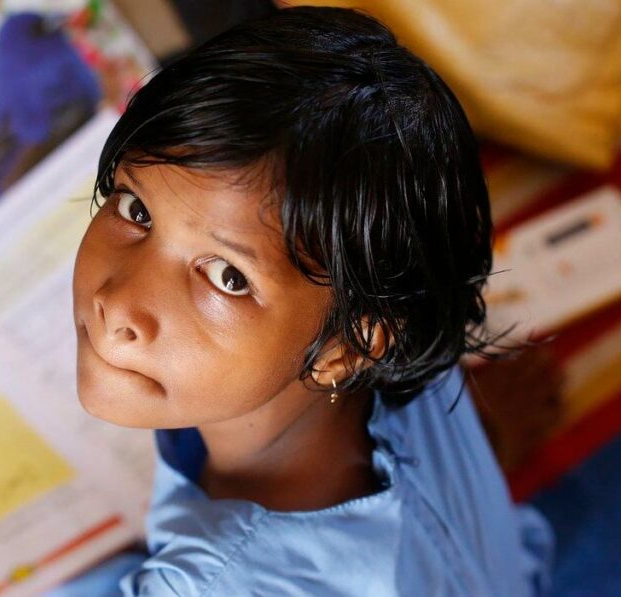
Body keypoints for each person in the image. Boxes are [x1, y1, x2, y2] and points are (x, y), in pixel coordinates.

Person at [62, 6, 554, 595]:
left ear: (345, 348)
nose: (118, 308)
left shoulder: (201, 584)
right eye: (136, 210)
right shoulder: (399, 317)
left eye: (227, 276)